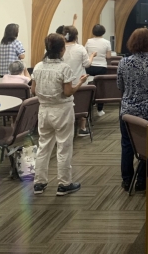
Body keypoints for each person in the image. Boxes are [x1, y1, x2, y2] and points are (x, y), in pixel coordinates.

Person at [32, 33, 88, 196]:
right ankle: (64, 183)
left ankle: (39, 183)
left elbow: (33, 90)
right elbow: (67, 92)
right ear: (62, 50)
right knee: (63, 146)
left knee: (43, 146)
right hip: (62, 110)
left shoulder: (37, 67)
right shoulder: (64, 68)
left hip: (43, 110)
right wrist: (80, 83)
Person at [117, 28, 148, 192]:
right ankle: (142, 181)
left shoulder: (124, 62)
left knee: (127, 145)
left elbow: (120, 86)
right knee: (147, 146)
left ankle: (126, 180)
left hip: (128, 111)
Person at [62, 26, 96, 136]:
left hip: (63, 82)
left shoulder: (60, 48)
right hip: (79, 80)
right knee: (82, 103)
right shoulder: (80, 48)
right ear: (76, 36)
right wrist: (91, 56)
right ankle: (82, 127)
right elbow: (87, 64)